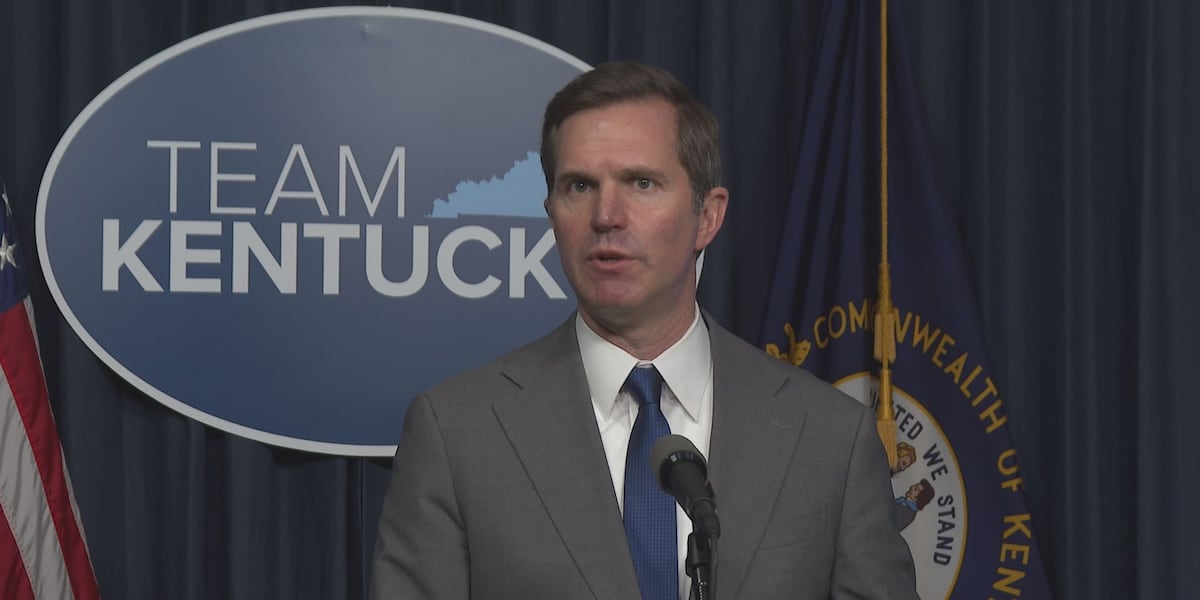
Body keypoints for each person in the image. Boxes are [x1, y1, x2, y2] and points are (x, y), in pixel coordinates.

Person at [370, 61, 918, 600]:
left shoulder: (829, 437)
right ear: (552, 213)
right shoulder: (458, 434)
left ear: (707, 216)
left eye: (641, 182)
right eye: (579, 186)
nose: (607, 215)